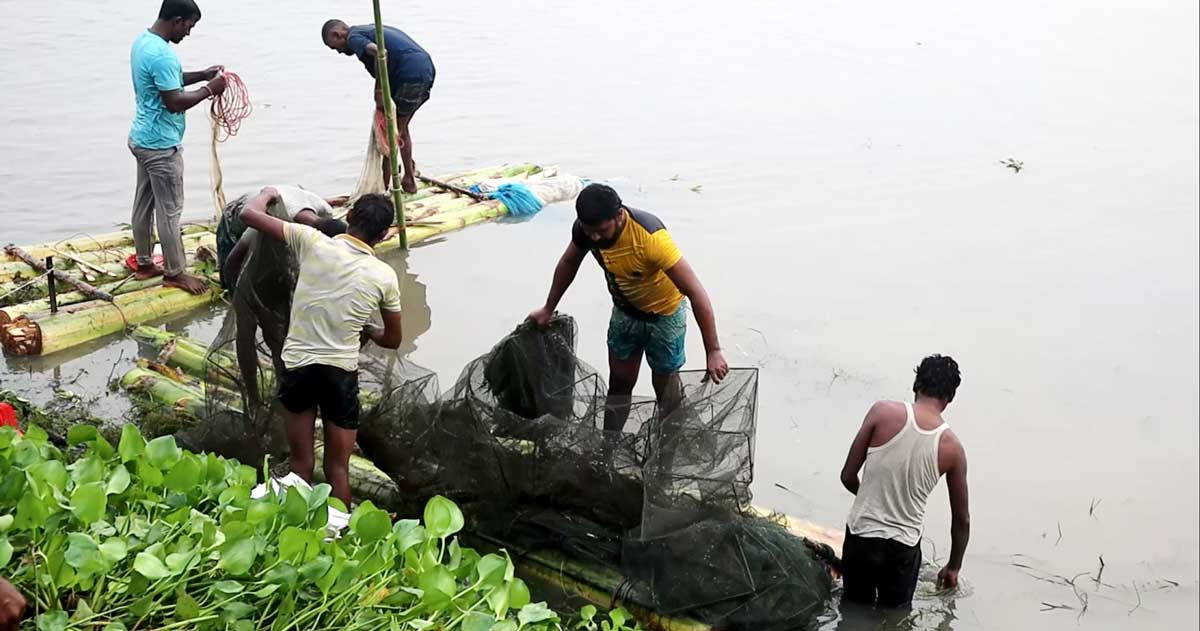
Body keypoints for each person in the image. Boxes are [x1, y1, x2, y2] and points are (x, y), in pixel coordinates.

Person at [239, 190, 403, 507]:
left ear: (349, 218)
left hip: (299, 367)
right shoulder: (385, 276)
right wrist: (367, 328)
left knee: (301, 463)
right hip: (339, 375)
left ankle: (294, 527)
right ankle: (336, 536)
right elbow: (392, 340)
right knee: (337, 469)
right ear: (383, 235)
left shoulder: (310, 240)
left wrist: (268, 194)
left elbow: (248, 214)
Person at [527, 183, 729, 433]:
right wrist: (548, 308)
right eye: (590, 232)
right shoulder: (585, 229)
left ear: (619, 214)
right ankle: (609, 447)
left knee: (666, 391)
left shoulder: (651, 238)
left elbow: (696, 293)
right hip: (625, 312)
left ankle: (666, 456)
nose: (595, 238)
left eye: (601, 231)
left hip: (664, 316)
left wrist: (714, 350)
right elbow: (569, 262)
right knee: (620, 384)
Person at [838, 354, 970, 609]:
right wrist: (953, 567)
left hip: (861, 538)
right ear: (949, 398)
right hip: (903, 550)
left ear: (915, 385)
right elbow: (962, 520)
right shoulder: (953, 448)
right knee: (895, 619)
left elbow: (847, 476)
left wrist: (871, 498)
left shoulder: (882, 412)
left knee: (852, 611)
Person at [128, 0, 227, 295]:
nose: (189, 32)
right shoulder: (163, 55)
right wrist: (212, 89)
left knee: (143, 203)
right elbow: (174, 102)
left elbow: (169, 82)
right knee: (169, 211)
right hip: (161, 146)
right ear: (178, 20)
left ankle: (144, 262)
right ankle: (174, 272)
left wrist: (203, 75)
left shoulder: (144, 42)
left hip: (141, 139)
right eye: (189, 26)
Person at [218, 187, 348, 408]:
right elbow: (233, 260)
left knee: (277, 333)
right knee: (245, 331)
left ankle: (283, 388)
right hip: (236, 227)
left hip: (277, 269)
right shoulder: (266, 227)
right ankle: (253, 398)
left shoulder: (323, 213)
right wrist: (235, 292)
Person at [321, 19, 436, 194]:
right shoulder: (367, 30)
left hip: (410, 74)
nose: (338, 52)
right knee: (400, 128)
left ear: (338, 34)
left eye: (334, 47)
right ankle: (408, 175)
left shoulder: (353, 37)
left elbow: (379, 51)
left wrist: (380, 89)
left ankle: (385, 188)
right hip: (423, 69)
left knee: (389, 134)